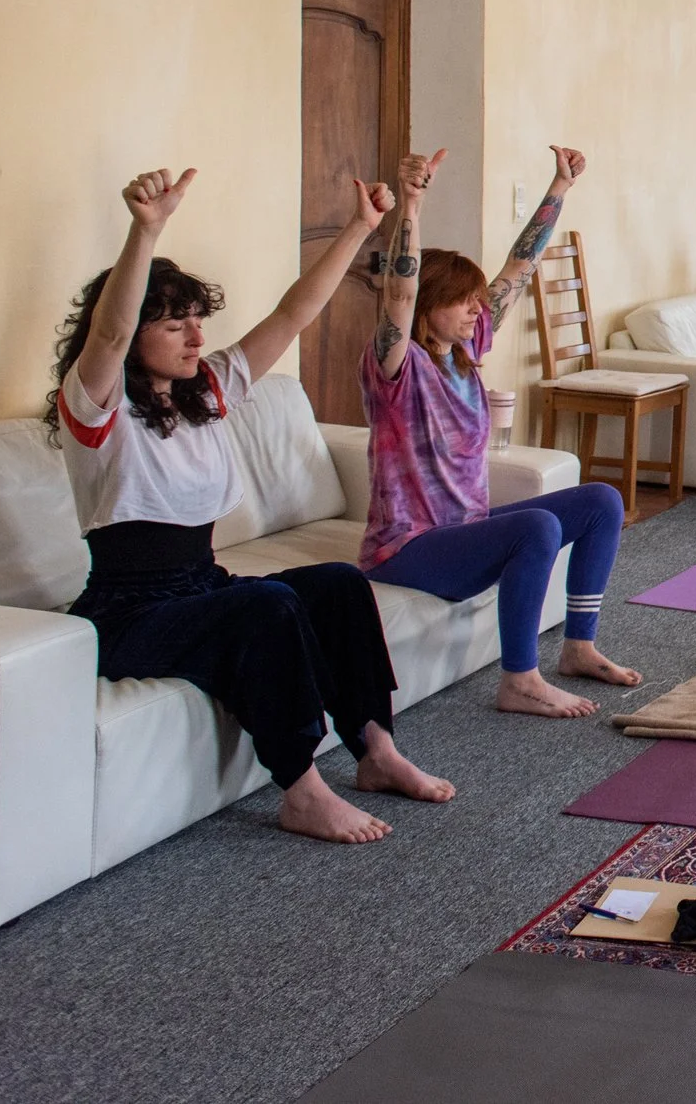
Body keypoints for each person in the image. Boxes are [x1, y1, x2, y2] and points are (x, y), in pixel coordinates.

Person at [47, 166, 452, 844]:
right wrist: (145, 231)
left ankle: (376, 750)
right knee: (267, 605)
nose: (196, 337)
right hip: (128, 612)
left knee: (338, 585)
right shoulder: (96, 407)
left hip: (199, 587)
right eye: (174, 323)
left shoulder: (208, 390)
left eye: (197, 320)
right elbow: (110, 337)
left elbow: (294, 313)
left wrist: (359, 228)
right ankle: (301, 788)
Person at [360, 145, 642, 719]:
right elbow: (398, 293)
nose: (474, 309)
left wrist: (558, 188)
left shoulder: (467, 349)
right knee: (535, 525)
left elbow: (521, 266)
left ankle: (580, 647)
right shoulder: (397, 366)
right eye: (460, 301)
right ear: (428, 305)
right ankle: (520, 680)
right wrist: (410, 205)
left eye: (474, 302)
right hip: (406, 547)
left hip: (464, 529)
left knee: (601, 502)